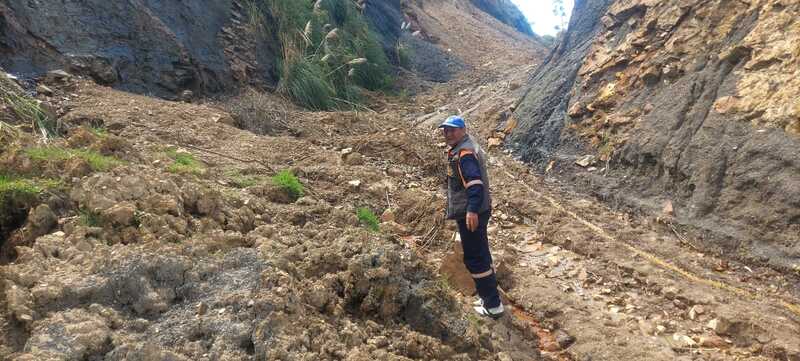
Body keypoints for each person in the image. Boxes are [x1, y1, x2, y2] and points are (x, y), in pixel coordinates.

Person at [438, 115, 503, 318]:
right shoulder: (466, 146)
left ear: (463, 130)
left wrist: (472, 210)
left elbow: (474, 183)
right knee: (482, 253)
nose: (448, 134)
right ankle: (489, 298)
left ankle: (492, 305)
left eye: (453, 130)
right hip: (479, 209)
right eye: (446, 130)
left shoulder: (464, 153)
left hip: (473, 212)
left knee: (475, 258)